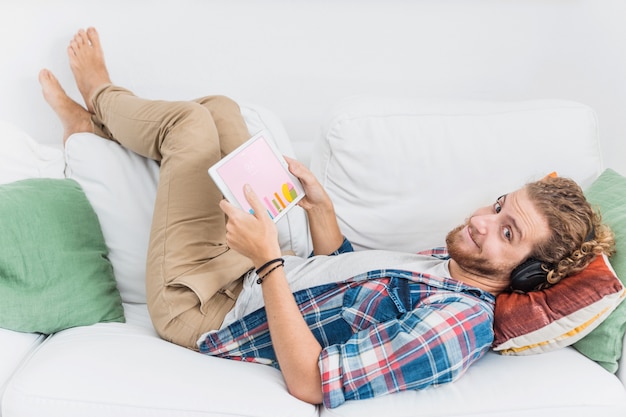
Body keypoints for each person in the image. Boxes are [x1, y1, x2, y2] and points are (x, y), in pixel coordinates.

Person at [39, 27, 615, 409]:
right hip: (249, 270)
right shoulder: (455, 263)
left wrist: (267, 259)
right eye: (497, 207)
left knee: (188, 129)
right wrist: (322, 209)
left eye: (506, 232)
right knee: (220, 110)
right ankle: (100, 126)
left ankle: (97, 100)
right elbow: (344, 280)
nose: (481, 222)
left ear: (527, 277)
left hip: (203, 309)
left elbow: (312, 379)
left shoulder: (455, 327)